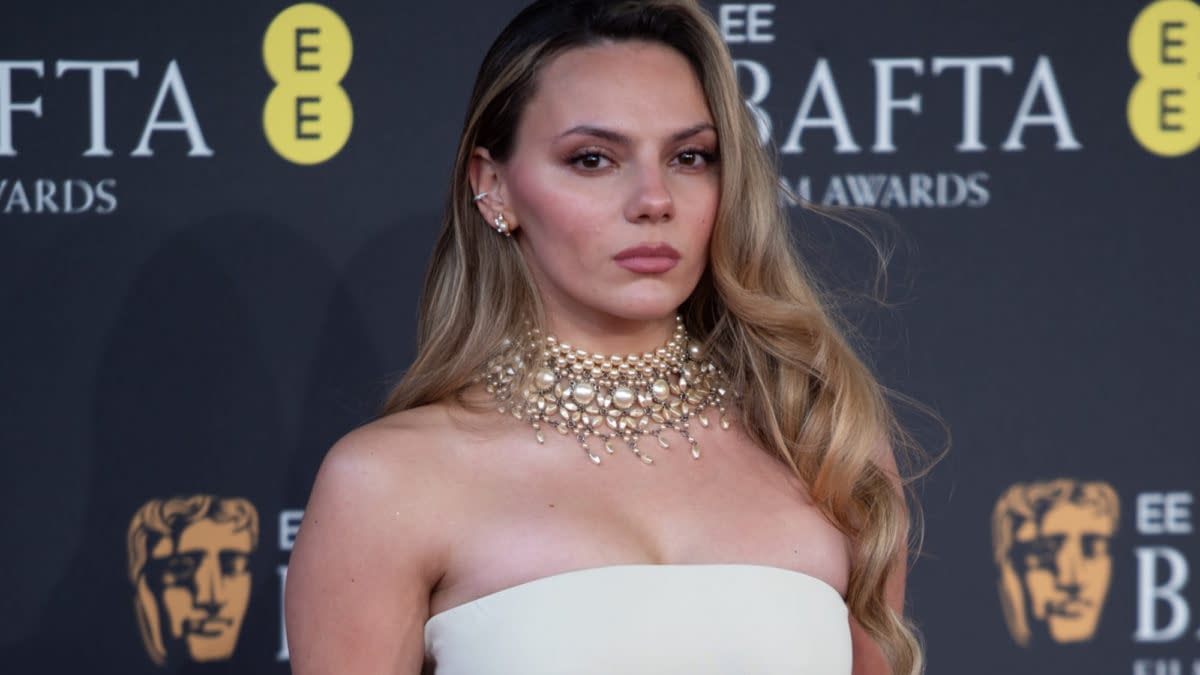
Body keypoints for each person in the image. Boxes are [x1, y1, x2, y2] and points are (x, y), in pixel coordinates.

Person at [285, 1, 925, 673]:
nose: (654, 199)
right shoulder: (388, 484)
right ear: (493, 188)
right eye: (593, 159)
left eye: (689, 156)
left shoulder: (822, 444)